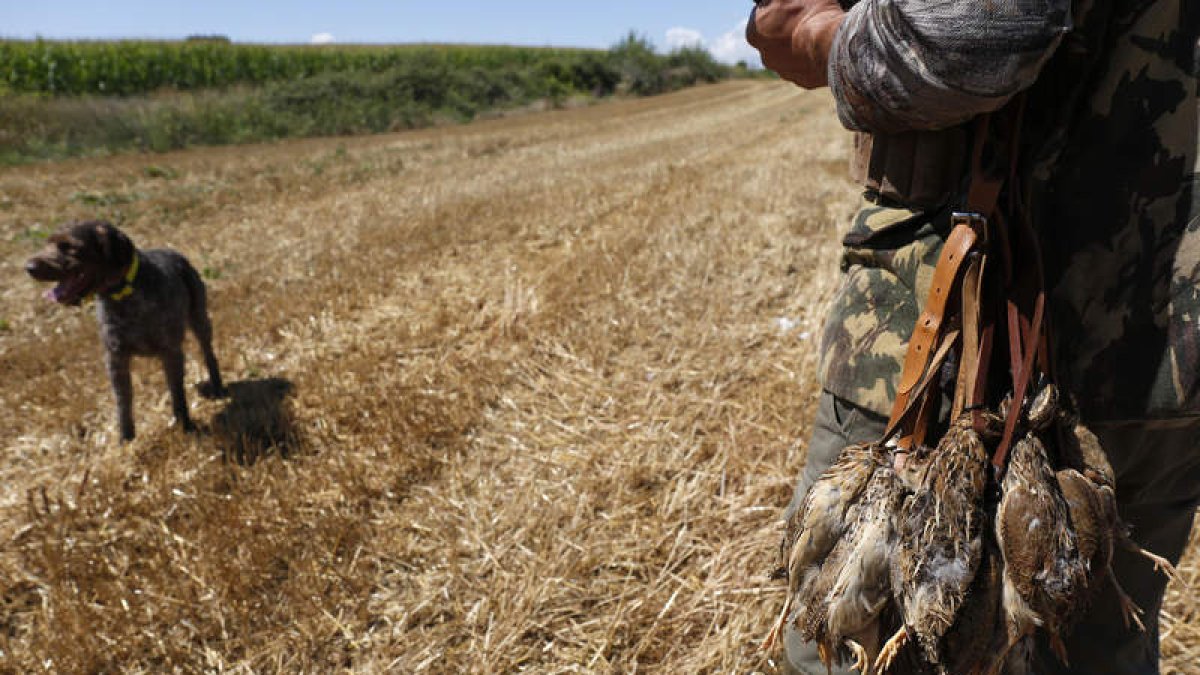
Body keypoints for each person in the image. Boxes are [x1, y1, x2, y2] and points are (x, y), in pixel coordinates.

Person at [747, 1, 1199, 673]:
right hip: (1170, 352)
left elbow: (975, 30)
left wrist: (817, 36)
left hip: (959, 352)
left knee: (855, 647)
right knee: (1094, 648)